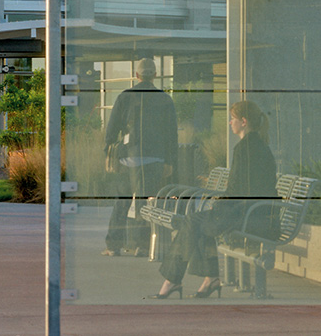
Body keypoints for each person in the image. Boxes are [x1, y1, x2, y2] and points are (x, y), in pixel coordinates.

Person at [150, 99, 277, 299]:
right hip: (255, 212)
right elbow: (243, 187)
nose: (229, 122)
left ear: (243, 121)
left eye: (232, 119)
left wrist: (219, 204)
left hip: (250, 216)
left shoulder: (246, 148)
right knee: (199, 222)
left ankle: (173, 280)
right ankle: (209, 280)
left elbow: (238, 189)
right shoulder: (256, 145)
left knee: (193, 222)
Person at [103, 58, 178, 256]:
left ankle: (113, 246)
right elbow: (171, 135)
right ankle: (143, 246)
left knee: (122, 201)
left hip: (128, 159)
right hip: (155, 159)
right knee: (147, 202)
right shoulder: (165, 99)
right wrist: (170, 162)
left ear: (137, 75)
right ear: (155, 75)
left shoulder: (125, 97)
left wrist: (108, 152)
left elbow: (111, 130)